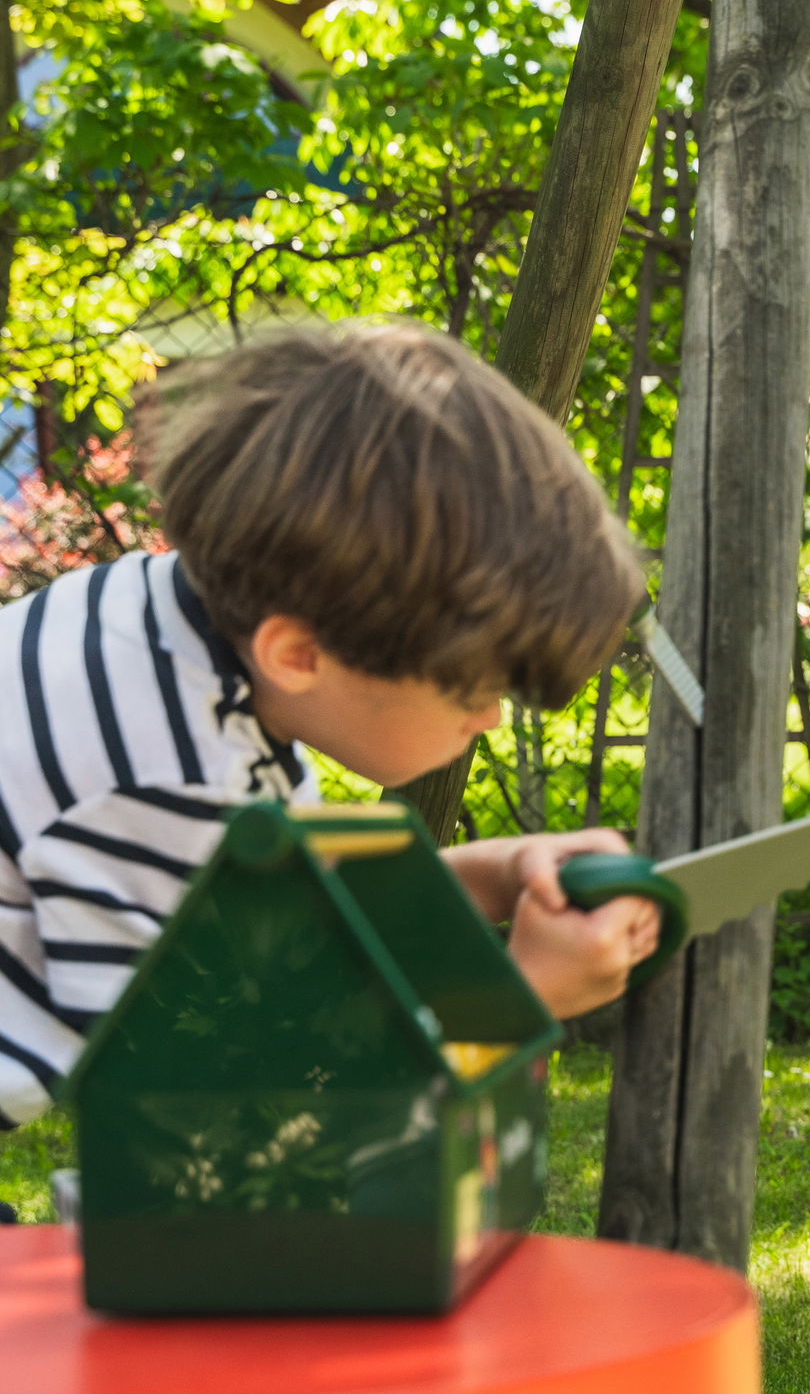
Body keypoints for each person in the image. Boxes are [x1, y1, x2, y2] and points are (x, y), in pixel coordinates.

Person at [0, 321, 662, 1135]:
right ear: (300, 653)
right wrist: (522, 996)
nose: (488, 718)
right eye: (468, 691)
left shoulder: (163, 634)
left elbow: (280, 932)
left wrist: (496, 875)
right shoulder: (155, 770)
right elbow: (236, 1105)